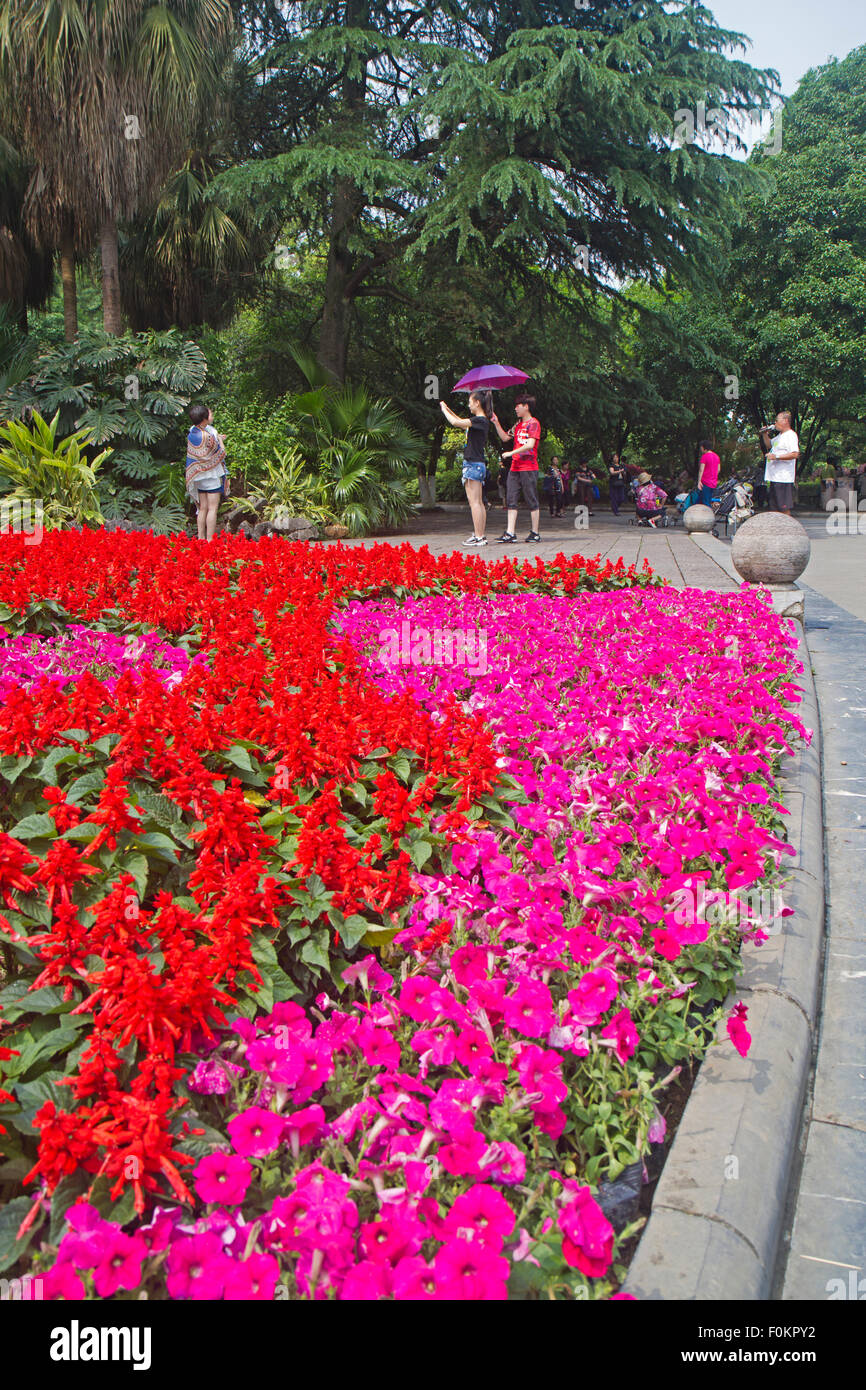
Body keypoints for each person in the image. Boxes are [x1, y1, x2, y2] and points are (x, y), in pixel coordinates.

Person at [439, 390, 492, 545]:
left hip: (473, 464)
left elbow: (455, 423)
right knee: (479, 502)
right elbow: (460, 421)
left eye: (470, 401)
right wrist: (447, 409)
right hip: (477, 464)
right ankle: (479, 534)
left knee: (474, 502)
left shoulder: (480, 420)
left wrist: (443, 410)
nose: (468, 404)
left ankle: (479, 537)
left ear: (477, 402)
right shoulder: (479, 421)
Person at [491, 394, 542, 542]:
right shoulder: (518, 425)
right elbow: (505, 437)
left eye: (518, 405)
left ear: (526, 406)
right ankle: (510, 533)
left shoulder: (534, 423)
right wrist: (496, 422)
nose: (515, 408)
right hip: (515, 467)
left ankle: (535, 533)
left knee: (531, 499)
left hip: (529, 467)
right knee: (511, 499)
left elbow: (530, 445)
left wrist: (511, 453)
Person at [186, 404, 229, 541]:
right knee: (212, 509)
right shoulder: (208, 436)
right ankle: (210, 540)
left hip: (198, 476)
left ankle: (200, 538)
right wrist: (221, 441)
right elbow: (221, 453)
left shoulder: (192, 432)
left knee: (202, 508)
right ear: (204, 419)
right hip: (211, 476)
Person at [759, 411, 800, 516]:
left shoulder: (790, 435)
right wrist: (764, 434)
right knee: (774, 507)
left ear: (785, 421)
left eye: (777, 420)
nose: (775, 423)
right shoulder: (779, 436)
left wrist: (776, 456)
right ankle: (777, 529)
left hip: (783, 478)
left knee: (783, 507)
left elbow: (795, 454)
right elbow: (769, 444)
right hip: (774, 477)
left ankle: (788, 529)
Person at [697, 439, 720, 507]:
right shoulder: (717, 456)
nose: (700, 449)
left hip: (705, 482)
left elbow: (701, 470)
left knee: (706, 502)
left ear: (704, 447)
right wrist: (713, 477)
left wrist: (699, 482)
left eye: (701, 447)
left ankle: (709, 516)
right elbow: (718, 469)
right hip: (713, 483)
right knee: (700, 500)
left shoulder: (705, 456)